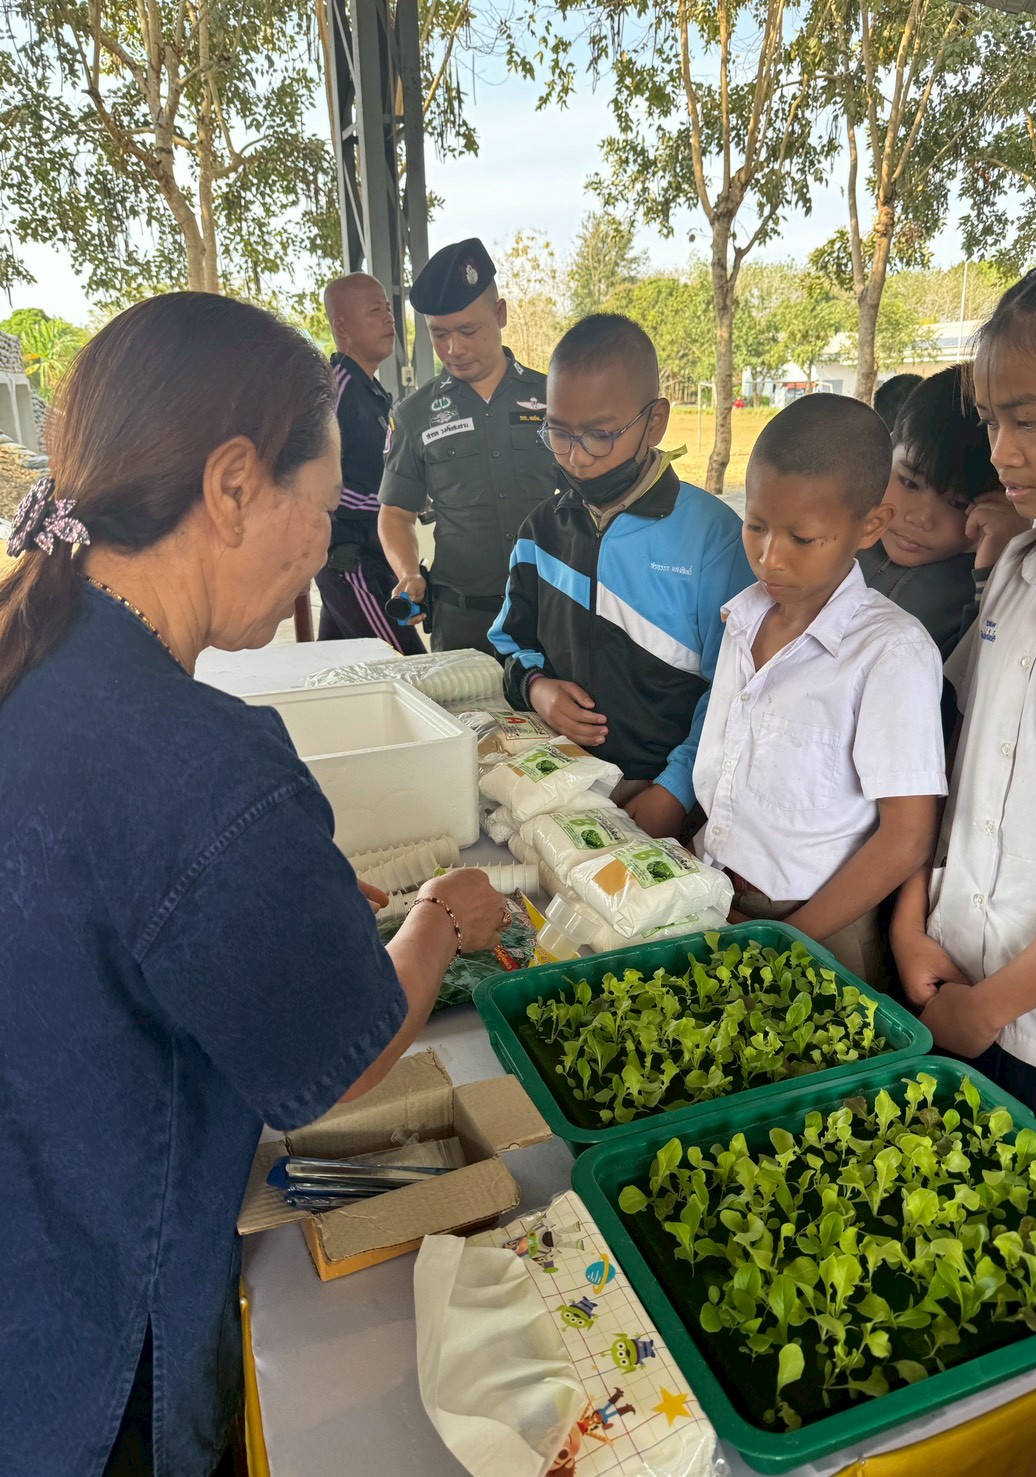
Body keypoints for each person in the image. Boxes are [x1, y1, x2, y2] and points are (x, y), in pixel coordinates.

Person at [0, 292, 508, 1477]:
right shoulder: (200, 760)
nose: (324, 551)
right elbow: (342, 1053)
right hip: (101, 1353)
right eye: (323, 509)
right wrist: (438, 916)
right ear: (233, 486)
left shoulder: (36, 661)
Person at [891, 254, 1036, 1169]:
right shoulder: (1018, 569)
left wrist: (995, 1003)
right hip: (954, 983)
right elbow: (960, 759)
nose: (999, 452)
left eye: (1028, 419)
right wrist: (913, 920)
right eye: (990, 421)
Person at [693, 394, 947, 983]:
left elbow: (907, 837)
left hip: (824, 926)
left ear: (870, 526)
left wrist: (789, 943)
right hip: (720, 894)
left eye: (803, 539)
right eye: (755, 526)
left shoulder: (891, 652)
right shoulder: (745, 619)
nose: (769, 557)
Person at [489, 314, 752, 839]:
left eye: (600, 436)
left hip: (670, 800)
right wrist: (537, 689)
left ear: (655, 422)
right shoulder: (540, 532)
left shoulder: (715, 539)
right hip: (562, 785)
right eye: (558, 433)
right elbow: (509, 641)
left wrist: (676, 790)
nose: (575, 458)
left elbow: (738, 689)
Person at [378, 238, 555, 654]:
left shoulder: (554, 398)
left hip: (551, 613)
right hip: (463, 626)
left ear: (500, 313)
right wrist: (408, 572)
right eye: (439, 335)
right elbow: (396, 513)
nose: (454, 349)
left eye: (468, 331)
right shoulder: (414, 415)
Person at [859, 364, 1027, 658]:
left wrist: (992, 572)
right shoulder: (836, 536)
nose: (920, 519)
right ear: (885, 452)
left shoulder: (984, 597)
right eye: (909, 483)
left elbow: (971, 688)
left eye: (958, 504)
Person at [315, 273, 424, 652]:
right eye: (375, 310)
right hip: (350, 562)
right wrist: (397, 501)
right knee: (406, 663)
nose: (389, 319)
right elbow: (316, 487)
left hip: (370, 556)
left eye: (390, 309)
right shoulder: (336, 391)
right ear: (342, 327)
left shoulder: (373, 391)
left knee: (337, 668)